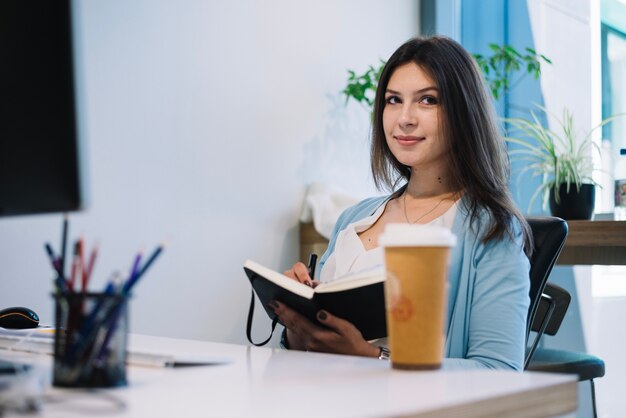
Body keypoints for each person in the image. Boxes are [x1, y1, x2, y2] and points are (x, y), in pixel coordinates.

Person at [268, 35, 533, 370]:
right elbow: (311, 351)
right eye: (394, 100)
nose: (404, 118)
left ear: (464, 111)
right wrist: (299, 322)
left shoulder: (493, 231)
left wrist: (370, 358)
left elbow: (500, 371)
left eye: (428, 100)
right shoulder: (353, 217)